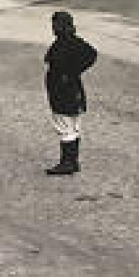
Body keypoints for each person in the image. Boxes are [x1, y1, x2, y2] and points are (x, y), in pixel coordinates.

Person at [43, 11, 98, 176]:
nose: (53, 28)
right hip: (73, 89)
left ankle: (67, 162)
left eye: (55, 25)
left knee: (64, 125)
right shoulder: (74, 41)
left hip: (62, 91)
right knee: (73, 126)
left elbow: (91, 55)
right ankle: (72, 161)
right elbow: (91, 54)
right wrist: (75, 72)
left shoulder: (62, 43)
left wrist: (70, 72)